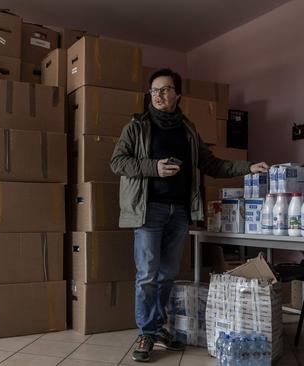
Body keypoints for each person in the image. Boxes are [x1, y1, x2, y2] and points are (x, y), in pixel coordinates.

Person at [110, 68, 269, 362]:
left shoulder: (188, 129)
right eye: (154, 90)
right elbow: (118, 162)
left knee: (168, 273)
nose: (158, 95)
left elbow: (212, 164)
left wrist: (248, 167)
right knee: (147, 274)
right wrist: (153, 167)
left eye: (165, 89)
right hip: (148, 210)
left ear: (177, 94)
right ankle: (146, 331)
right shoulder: (136, 126)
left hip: (180, 211)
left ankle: (156, 326)